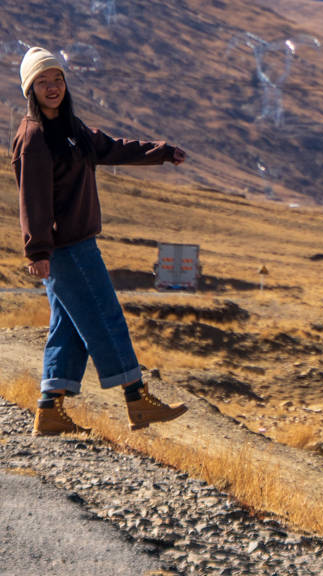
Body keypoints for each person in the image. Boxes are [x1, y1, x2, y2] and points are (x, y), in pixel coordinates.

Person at [11, 46, 189, 436]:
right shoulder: (34, 137)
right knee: (106, 318)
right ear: (30, 89)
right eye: (42, 81)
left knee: (68, 328)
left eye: (56, 78)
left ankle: (50, 410)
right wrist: (37, 250)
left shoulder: (72, 131)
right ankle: (136, 398)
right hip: (67, 249)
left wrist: (161, 152)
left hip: (76, 245)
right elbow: (33, 200)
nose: (52, 86)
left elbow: (113, 147)